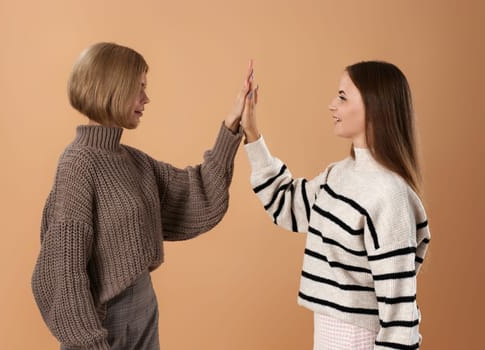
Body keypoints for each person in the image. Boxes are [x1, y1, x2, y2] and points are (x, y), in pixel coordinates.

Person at [31, 42, 254, 350]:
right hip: (106, 323)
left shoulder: (131, 160)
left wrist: (231, 125)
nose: (146, 99)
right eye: (139, 88)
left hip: (143, 309)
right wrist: (90, 343)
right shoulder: (78, 165)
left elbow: (195, 193)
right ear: (114, 88)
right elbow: (64, 271)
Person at [241, 61, 431, 349]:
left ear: (375, 107)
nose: (332, 105)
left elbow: (399, 317)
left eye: (343, 97)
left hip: (360, 342)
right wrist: (252, 131)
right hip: (327, 338)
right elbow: (287, 204)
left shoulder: (390, 196)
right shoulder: (339, 174)